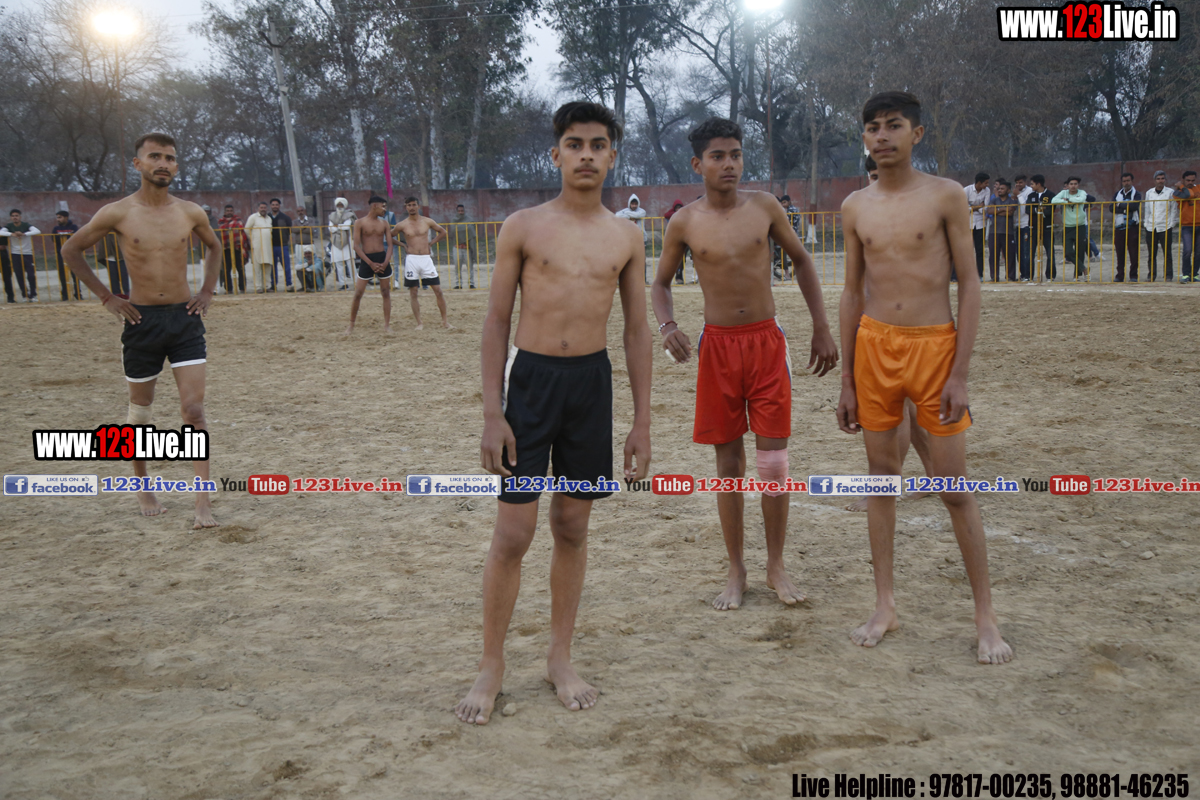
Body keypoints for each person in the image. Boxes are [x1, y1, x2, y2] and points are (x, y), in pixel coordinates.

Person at [455, 101, 652, 726]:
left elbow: (637, 330)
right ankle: (491, 664)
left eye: (597, 145)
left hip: (591, 386)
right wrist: (493, 412)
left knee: (571, 526)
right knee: (514, 533)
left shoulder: (627, 236)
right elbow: (496, 321)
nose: (586, 155)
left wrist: (641, 421)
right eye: (574, 144)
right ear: (556, 154)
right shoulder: (523, 226)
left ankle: (559, 657)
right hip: (532, 385)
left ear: (612, 155)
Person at [837, 91, 1011, 664]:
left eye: (893, 125)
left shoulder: (945, 195)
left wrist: (961, 371)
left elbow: (970, 283)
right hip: (874, 347)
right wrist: (847, 380)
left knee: (954, 487)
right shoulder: (854, 206)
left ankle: (985, 618)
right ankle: (885, 604)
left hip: (934, 348)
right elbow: (851, 292)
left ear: (916, 133)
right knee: (881, 480)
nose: (881, 136)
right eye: (872, 127)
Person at [651, 116, 838, 612]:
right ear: (698, 164)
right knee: (728, 463)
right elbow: (660, 283)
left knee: (774, 462)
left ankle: (776, 564)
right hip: (717, 348)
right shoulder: (684, 222)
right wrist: (667, 326)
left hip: (766, 344)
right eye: (718, 156)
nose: (729, 164)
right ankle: (736, 568)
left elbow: (802, 260)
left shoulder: (765, 207)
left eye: (735, 154)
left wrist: (821, 326)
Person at [60, 132, 221, 530]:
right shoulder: (117, 212)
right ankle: (143, 487)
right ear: (138, 164)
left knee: (194, 411)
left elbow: (215, 247)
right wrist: (107, 297)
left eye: (170, 158)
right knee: (140, 416)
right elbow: (71, 250)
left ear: (176, 166)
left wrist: (206, 291)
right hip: (140, 321)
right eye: (155, 156)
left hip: (184, 320)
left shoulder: (190, 212)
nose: (163, 163)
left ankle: (202, 501)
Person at [392, 196, 451, 329]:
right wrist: (402, 245)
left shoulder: (427, 221)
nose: (411, 208)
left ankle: (445, 321)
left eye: (414, 205)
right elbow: (389, 236)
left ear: (418, 206)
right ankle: (419, 323)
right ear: (406, 207)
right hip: (411, 259)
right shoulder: (402, 224)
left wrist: (431, 243)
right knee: (413, 291)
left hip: (426, 258)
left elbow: (443, 232)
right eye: (409, 205)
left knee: (438, 290)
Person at [345, 195, 393, 335]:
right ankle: (351, 325)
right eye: (383, 206)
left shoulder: (384, 223)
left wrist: (385, 262)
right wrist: (370, 263)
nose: (384, 209)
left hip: (382, 257)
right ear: (374, 206)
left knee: (385, 292)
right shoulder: (359, 222)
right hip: (367, 260)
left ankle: (387, 325)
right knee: (358, 293)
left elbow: (390, 245)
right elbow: (356, 246)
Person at [1052, 177, 1091, 281]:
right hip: (1068, 226)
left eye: (1075, 184)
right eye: (1071, 184)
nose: (1073, 186)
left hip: (1080, 226)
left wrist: (1067, 200)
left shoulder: (1082, 192)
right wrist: (1065, 201)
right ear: (1068, 185)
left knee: (1080, 251)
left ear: (1078, 185)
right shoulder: (1063, 193)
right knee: (1068, 251)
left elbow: (1081, 200)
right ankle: (1084, 268)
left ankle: (1077, 276)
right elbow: (1053, 200)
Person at [1143, 170, 1177, 283]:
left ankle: (1168, 276)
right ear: (1154, 180)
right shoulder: (1149, 193)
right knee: (1152, 253)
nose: (1160, 181)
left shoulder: (1170, 192)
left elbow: (1173, 209)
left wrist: (1171, 224)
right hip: (1151, 226)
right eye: (1158, 179)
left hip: (1165, 226)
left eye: (1162, 178)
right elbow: (1147, 209)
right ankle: (1151, 275)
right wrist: (1146, 223)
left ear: (1165, 180)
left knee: (1167, 253)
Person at [0, 209, 40, 302]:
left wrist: (24, 234)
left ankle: (33, 294)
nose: (15, 217)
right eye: (13, 216)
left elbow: (37, 231)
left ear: (20, 217)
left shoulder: (26, 225)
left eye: (17, 216)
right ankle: (25, 295)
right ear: (11, 217)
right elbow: (1, 232)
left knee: (31, 275)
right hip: (15, 253)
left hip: (27, 253)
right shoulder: (9, 226)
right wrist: (12, 234)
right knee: (19, 276)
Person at [984, 179, 1018, 282]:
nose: (999, 190)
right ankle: (994, 277)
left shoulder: (1012, 200)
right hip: (994, 231)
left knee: (1010, 255)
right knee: (993, 255)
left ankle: (1010, 276)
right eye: (998, 189)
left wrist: (997, 210)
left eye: (1002, 189)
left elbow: (1010, 213)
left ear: (1008, 190)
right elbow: (989, 211)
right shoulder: (994, 200)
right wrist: (1003, 209)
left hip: (1008, 231)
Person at [1112, 172, 1142, 283]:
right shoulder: (1117, 194)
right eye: (1124, 181)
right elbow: (1111, 208)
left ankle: (1133, 275)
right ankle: (1120, 275)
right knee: (1120, 253)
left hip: (1132, 227)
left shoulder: (1136, 194)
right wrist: (1126, 208)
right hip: (1119, 227)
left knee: (1133, 253)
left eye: (1128, 181)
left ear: (1132, 181)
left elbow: (1134, 206)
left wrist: (1120, 205)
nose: (1126, 183)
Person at [1026, 175, 1056, 281]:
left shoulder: (1051, 195)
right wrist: (1039, 209)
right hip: (1033, 227)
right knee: (1030, 253)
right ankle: (1029, 276)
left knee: (1050, 253)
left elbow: (1049, 211)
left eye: (1032, 184)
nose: (1031, 186)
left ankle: (1050, 276)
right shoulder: (1031, 195)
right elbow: (1027, 209)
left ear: (1038, 184)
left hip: (1047, 228)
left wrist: (1037, 209)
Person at [215, 205, 248, 294]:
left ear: (233, 211)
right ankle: (228, 289)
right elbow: (219, 235)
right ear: (225, 212)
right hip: (225, 248)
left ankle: (242, 288)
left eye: (231, 210)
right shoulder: (220, 222)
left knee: (240, 269)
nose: (229, 212)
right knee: (226, 270)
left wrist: (244, 247)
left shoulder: (238, 221)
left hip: (238, 248)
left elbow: (242, 234)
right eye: (227, 211)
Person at [1174, 170, 1198, 283]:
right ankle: (1186, 274)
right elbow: (1189, 195)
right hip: (1186, 225)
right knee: (1187, 250)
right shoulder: (1177, 192)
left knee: (1198, 252)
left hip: (1199, 224)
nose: (1190, 182)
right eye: (1188, 180)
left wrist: (1182, 186)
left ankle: (1195, 274)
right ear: (1183, 180)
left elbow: (1190, 194)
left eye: (1192, 180)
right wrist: (1182, 187)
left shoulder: (1198, 188)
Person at [964, 173, 990, 279]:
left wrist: (972, 207)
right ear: (979, 182)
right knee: (967, 251)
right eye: (985, 183)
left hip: (980, 224)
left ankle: (980, 275)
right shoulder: (966, 190)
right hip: (967, 224)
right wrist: (979, 206)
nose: (987, 185)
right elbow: (963, 208)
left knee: (980, 250)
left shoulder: (987, 191)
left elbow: (985, 209)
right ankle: (966, 275)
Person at [52, 211, 82, 301]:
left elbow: (75, 238)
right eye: (57, 217)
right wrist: (65, 237)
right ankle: (65, 295)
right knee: (62, 276)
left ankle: (78, 294)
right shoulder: (56, 228)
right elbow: (54, 239)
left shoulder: (73, 227)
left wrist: (63, 237)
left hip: (73, 255)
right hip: (61, 254)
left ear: (66, 217)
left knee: (75, 275)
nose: (58, 219)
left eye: (60, 217)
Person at [244, 202, 274, 293]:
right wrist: (252, 239)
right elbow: (247, 229)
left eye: (264, 207)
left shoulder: (269, 218)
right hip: (257, 245)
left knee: (267, 266)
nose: (263, 209)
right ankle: (258, 287)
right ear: (258, 208)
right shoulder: (253, 217)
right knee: (257, 267)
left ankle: (267, 286)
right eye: (261, 207)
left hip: (268, 246)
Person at [328, 197, 356, 291]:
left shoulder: (349, 215)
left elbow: (346, 227)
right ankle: (343, 284)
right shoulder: (332, 215)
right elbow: (331, 228)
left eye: (341, 205)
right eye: (338, 205)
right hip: (335, 242)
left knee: (350, 263)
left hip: (347, 241)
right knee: (339, 264)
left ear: (344, 206)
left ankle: (356, 283)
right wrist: (340, 226)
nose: (339, 207)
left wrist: (337, 226)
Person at [450, 203, 479, 289]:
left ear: (464, 211)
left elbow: (471, 231)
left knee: (470, 266)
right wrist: (464, 228)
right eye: (459, 211)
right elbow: (453, 230)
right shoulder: (453, 220)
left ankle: (471, 283)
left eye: (462, 211)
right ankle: (458, 284)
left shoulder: (469, 220)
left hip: (467, 247)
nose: (460, 212)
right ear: (457, 211)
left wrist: (461, 228)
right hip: (457, 247)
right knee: (457, 267)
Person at [269, 198, 294, 292]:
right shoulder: (267, 217)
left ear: (279, 206)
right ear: (270, 206)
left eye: (276, 205)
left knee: (286, 266)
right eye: (273, 205)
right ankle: (273, 285)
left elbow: (289, 230)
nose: (275, 206)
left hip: (283, 245)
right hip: (271, 245)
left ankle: (288, 284)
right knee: (272, 267)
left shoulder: (285, 217)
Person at [1012, 175, 1033, 281]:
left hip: (1026, 225)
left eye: (1020, 182)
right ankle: (1023, 274)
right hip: (1018, 225)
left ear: (1025, 182)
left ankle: (1028, 275)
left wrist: (1019, 195)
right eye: (1017, 182)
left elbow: (1026, 208)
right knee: (1019, 251)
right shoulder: (1016, 192)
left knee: (1026, 251)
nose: (1018, 184)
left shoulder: (1029, 191)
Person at [662, 199, 687, 284]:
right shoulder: (673, 214)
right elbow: (666, 215)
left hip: (684, 239)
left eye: (680, 207)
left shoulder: (685, 214)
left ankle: (679, 277)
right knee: (673, 259)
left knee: (682, 260)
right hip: (675, 240)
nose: (678, 209)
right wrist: (677, 213)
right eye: (677, 208)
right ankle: (669, 278)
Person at [292, 206, 315, 289]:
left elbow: (311, 230)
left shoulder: (311, 220)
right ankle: (304, 285)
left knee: (311, 264)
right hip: (299, 245)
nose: (300, 212)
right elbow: (293, 230)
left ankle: (312, 284)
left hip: (309, 244)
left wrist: (299, 228)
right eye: (298, 211)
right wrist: (304, 227)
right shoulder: (294, 221)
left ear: (304, 211)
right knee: (300, 264)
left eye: (301, 210)